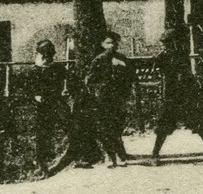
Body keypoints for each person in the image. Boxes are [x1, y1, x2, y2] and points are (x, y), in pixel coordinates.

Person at [152, 28, 203, 165]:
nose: (166, 46)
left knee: (197, 124)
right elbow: (159, 75)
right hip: (169, 96)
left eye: (169, 43)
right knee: (163, 127)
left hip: (185, 96)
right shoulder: (161, 58)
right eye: (164, 43)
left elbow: (188, 75)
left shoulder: (182, 56)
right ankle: (155, 154)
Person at [82, 31, 135, 168]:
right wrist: (97, 91)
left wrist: (126, 91)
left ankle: (121, 154)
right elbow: (89, 80)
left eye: (114, 43)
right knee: (106, 127)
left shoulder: (122, 58)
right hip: (103, 98)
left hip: (119, 97)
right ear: (103, 44)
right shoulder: (98, 60)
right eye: (108, 43)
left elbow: (130, 77)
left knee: (118, 125)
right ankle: (111, 157)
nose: (112, 45)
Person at [27, 39, 72, 173]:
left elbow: (70, 80)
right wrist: (35, 96)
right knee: (43, 134)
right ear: (39, 55)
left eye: (49, 56)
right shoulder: (34, 71)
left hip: (57, 103)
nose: (47, 59)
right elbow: (28, 88)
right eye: (44, 56)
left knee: (70, 128)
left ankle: (72, 155)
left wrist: (66, 89)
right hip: (42, 106)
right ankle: (42, 164)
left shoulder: (58, 69)